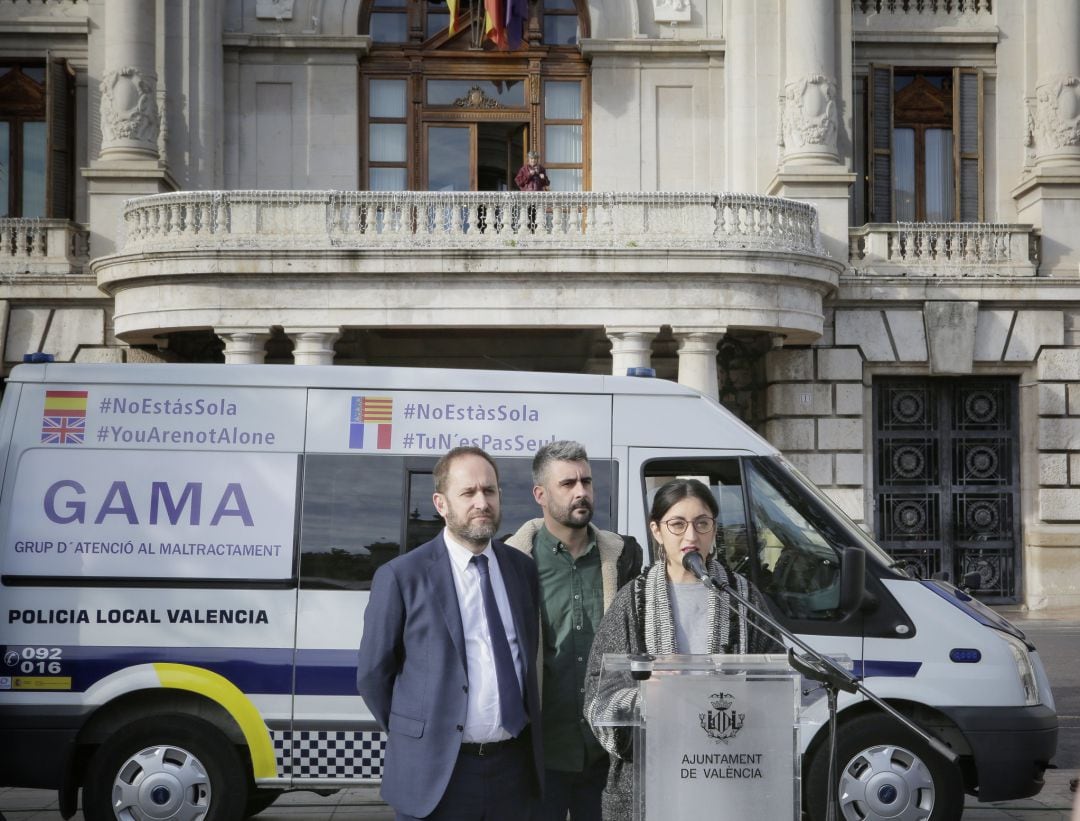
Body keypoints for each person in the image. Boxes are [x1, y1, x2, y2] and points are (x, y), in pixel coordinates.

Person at [356, 446, 543, 821]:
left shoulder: (521, 570)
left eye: (489, 491)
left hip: (515, 774)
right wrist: (420, 735)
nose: (482, 502)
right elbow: (374, 674)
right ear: (441, 504)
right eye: (468, 493)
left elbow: (527, 658)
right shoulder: (402, 576)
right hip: (438, 777)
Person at [583, 478, 783, 820]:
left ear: (713, 530)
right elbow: (597, 694)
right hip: (650, 784)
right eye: (677, 524)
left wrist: (743, 697)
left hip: (728, 777)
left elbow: (777, 681)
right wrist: (647, 697)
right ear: (657, 531)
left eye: (702, 523)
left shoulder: (742, 597)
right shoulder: (634, 600)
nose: (691, 536)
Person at [506, 440, 642, 821]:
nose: (581, 491)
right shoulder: (513, 563)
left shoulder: (624, 558)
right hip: (539, 757)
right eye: (567, 484)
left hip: (606, 754)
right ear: (540, 494)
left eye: (586, 481)